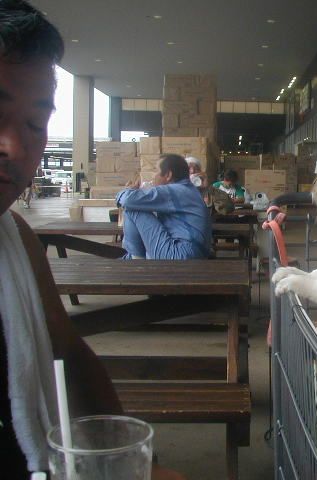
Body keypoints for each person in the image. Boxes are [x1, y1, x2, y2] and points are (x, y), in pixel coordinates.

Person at [0, 2, 182, 477]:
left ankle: (130, 260)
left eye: (35, 124)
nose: (16, 147)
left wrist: (138, 465)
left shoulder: (17, 240)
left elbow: (69, 354)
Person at [117, 153, 212, 259]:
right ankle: (133, 257)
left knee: (133, 207)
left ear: (168, 175)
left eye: (156, 170)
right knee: (137, 203)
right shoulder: (187, 189)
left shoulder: (174, 191)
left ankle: (134, 259)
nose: (153, 175)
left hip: (181, 254)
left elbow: (127, 200)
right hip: (193, 252)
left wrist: (128, 190)